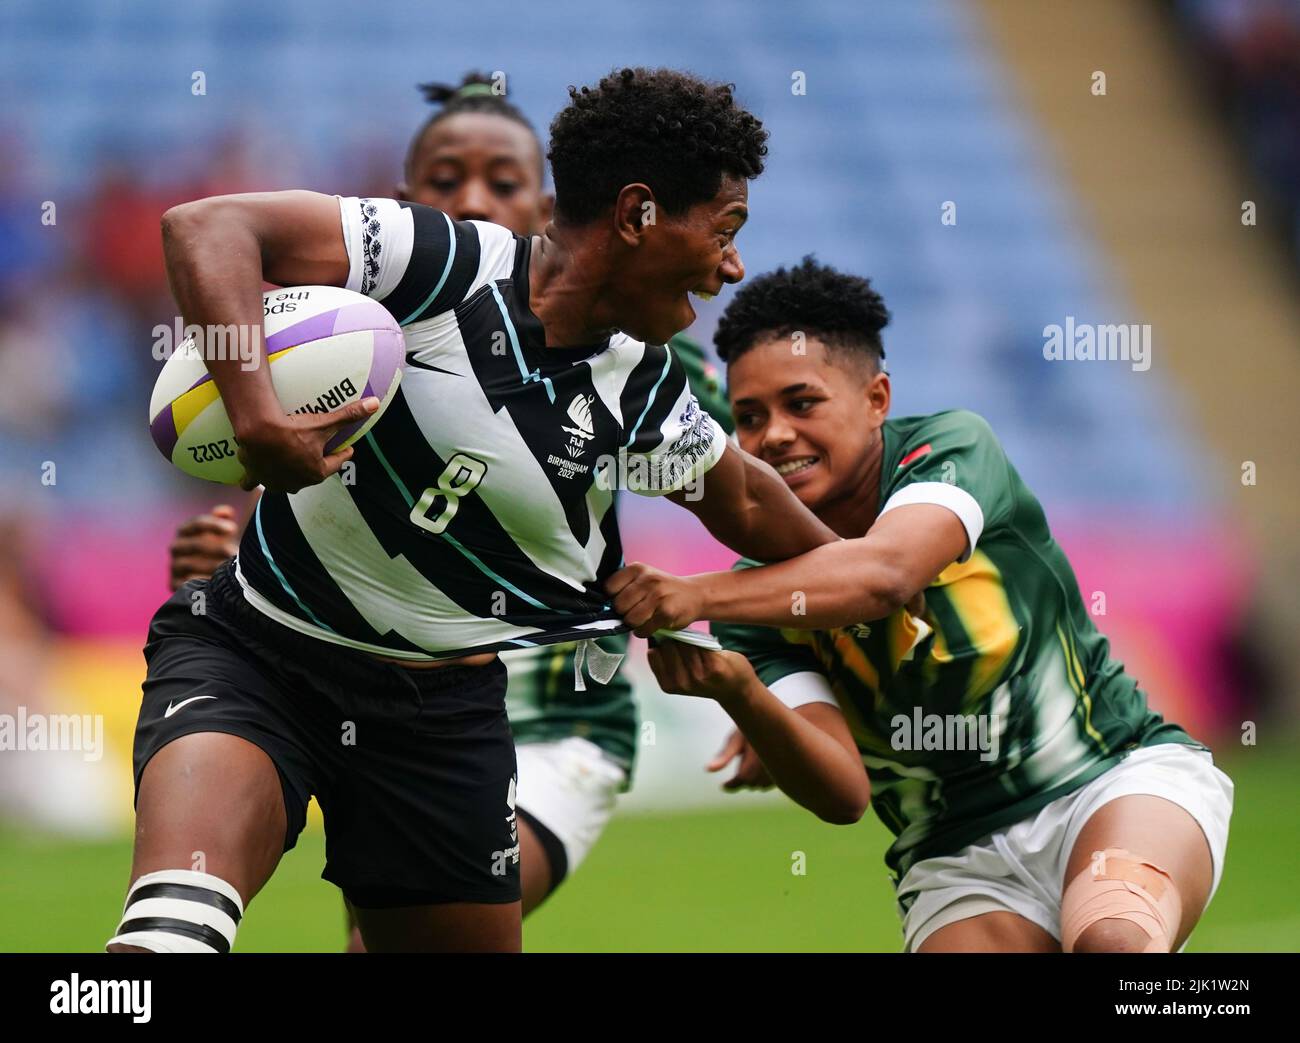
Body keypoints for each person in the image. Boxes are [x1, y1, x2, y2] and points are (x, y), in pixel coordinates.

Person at [111, 68, 838, 954]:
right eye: (723, 231)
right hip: (259, 653)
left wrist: (885, 580)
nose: (733, 264)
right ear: (639, 213)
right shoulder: (443, 261)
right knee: (173, 931)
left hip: (441, 717)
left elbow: (758, 511)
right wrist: (258, 415)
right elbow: (207, 226)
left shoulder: (645, 388)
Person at [611, 257, 1234, 953]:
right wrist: (743, 694)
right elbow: (843, 793)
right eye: (750, 417)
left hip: (1108, 779)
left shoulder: (951, 451)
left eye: (802, 402)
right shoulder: (754, 601)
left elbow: (886, 574)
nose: (775, 434)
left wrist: (694, 592)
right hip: (953, 860)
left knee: (1113, 938)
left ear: (877, 399)